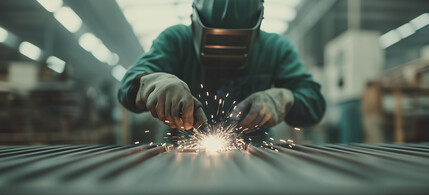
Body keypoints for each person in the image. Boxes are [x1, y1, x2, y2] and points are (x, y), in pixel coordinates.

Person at [118, 0, 326, 137]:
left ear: (258, 23)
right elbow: (127, 86)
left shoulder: (276, 48)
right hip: (178, 160)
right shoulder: (176, 40)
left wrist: (284, 98)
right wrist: (152, 84)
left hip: (256, 162)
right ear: (195, 17)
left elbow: (315, 103)